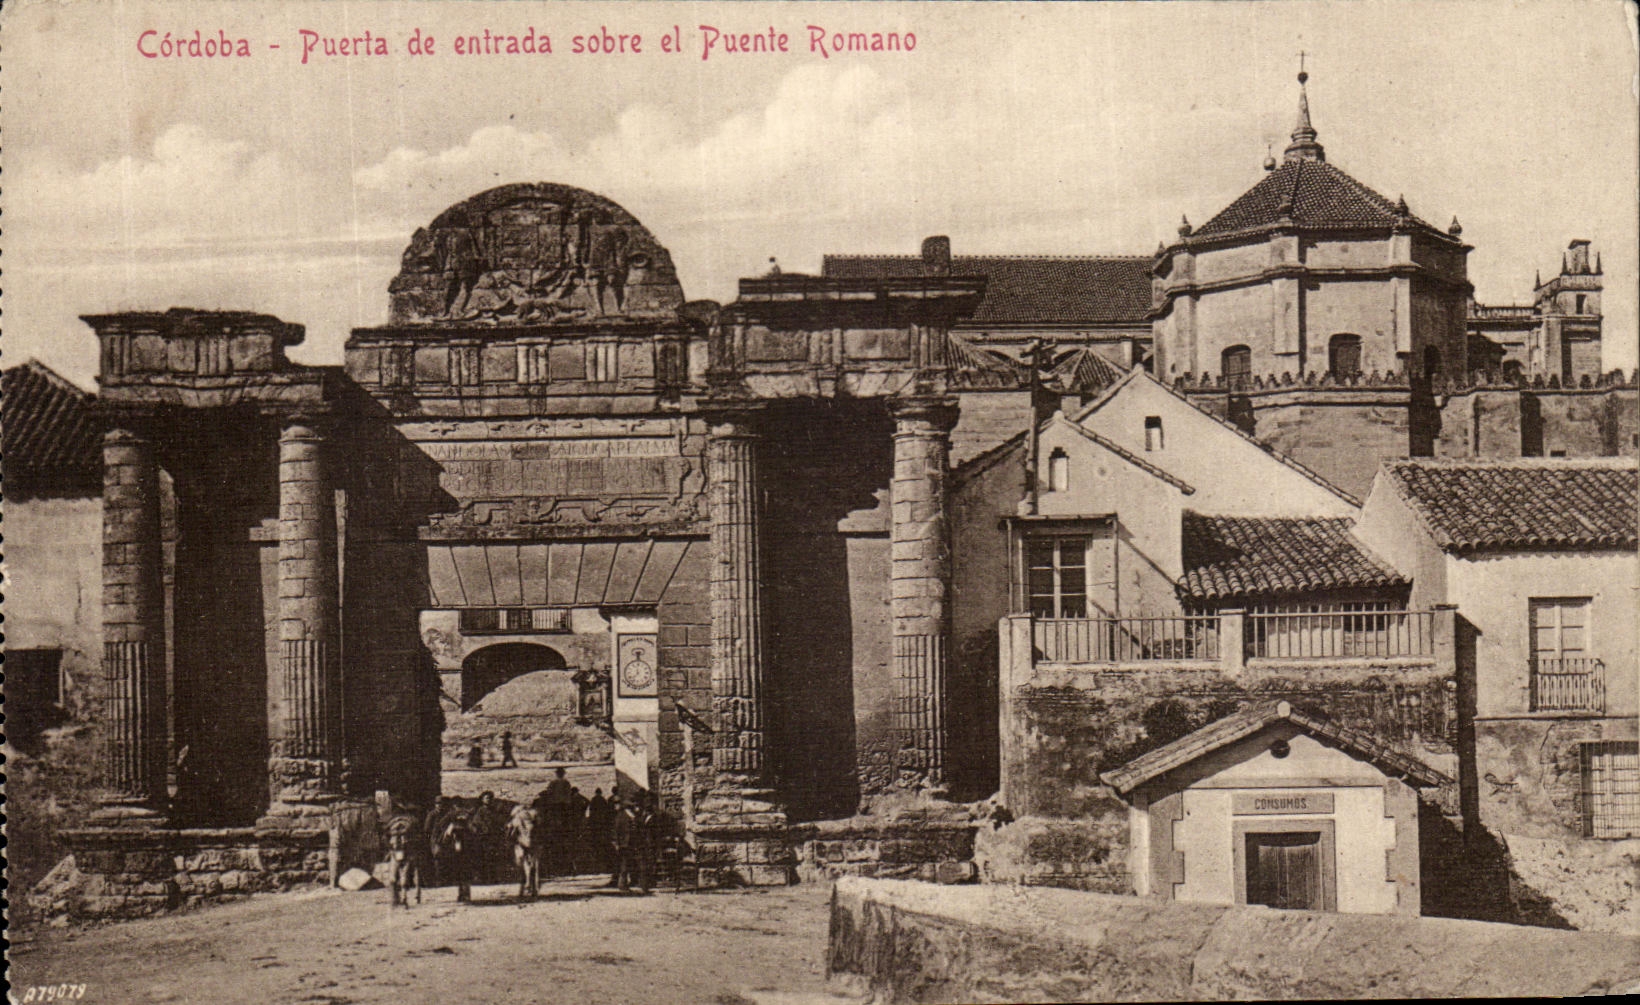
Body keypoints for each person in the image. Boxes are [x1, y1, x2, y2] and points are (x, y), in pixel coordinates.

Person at [586, 788, 613, 873]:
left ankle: (597, 867)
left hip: (595, 826)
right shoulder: (604, 800)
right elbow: (607, 813)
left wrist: (590, 823)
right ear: (601, 793)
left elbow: (591, 812)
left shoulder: (593, 800)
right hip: (602, 825)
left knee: (596, 845)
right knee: (603, 844)